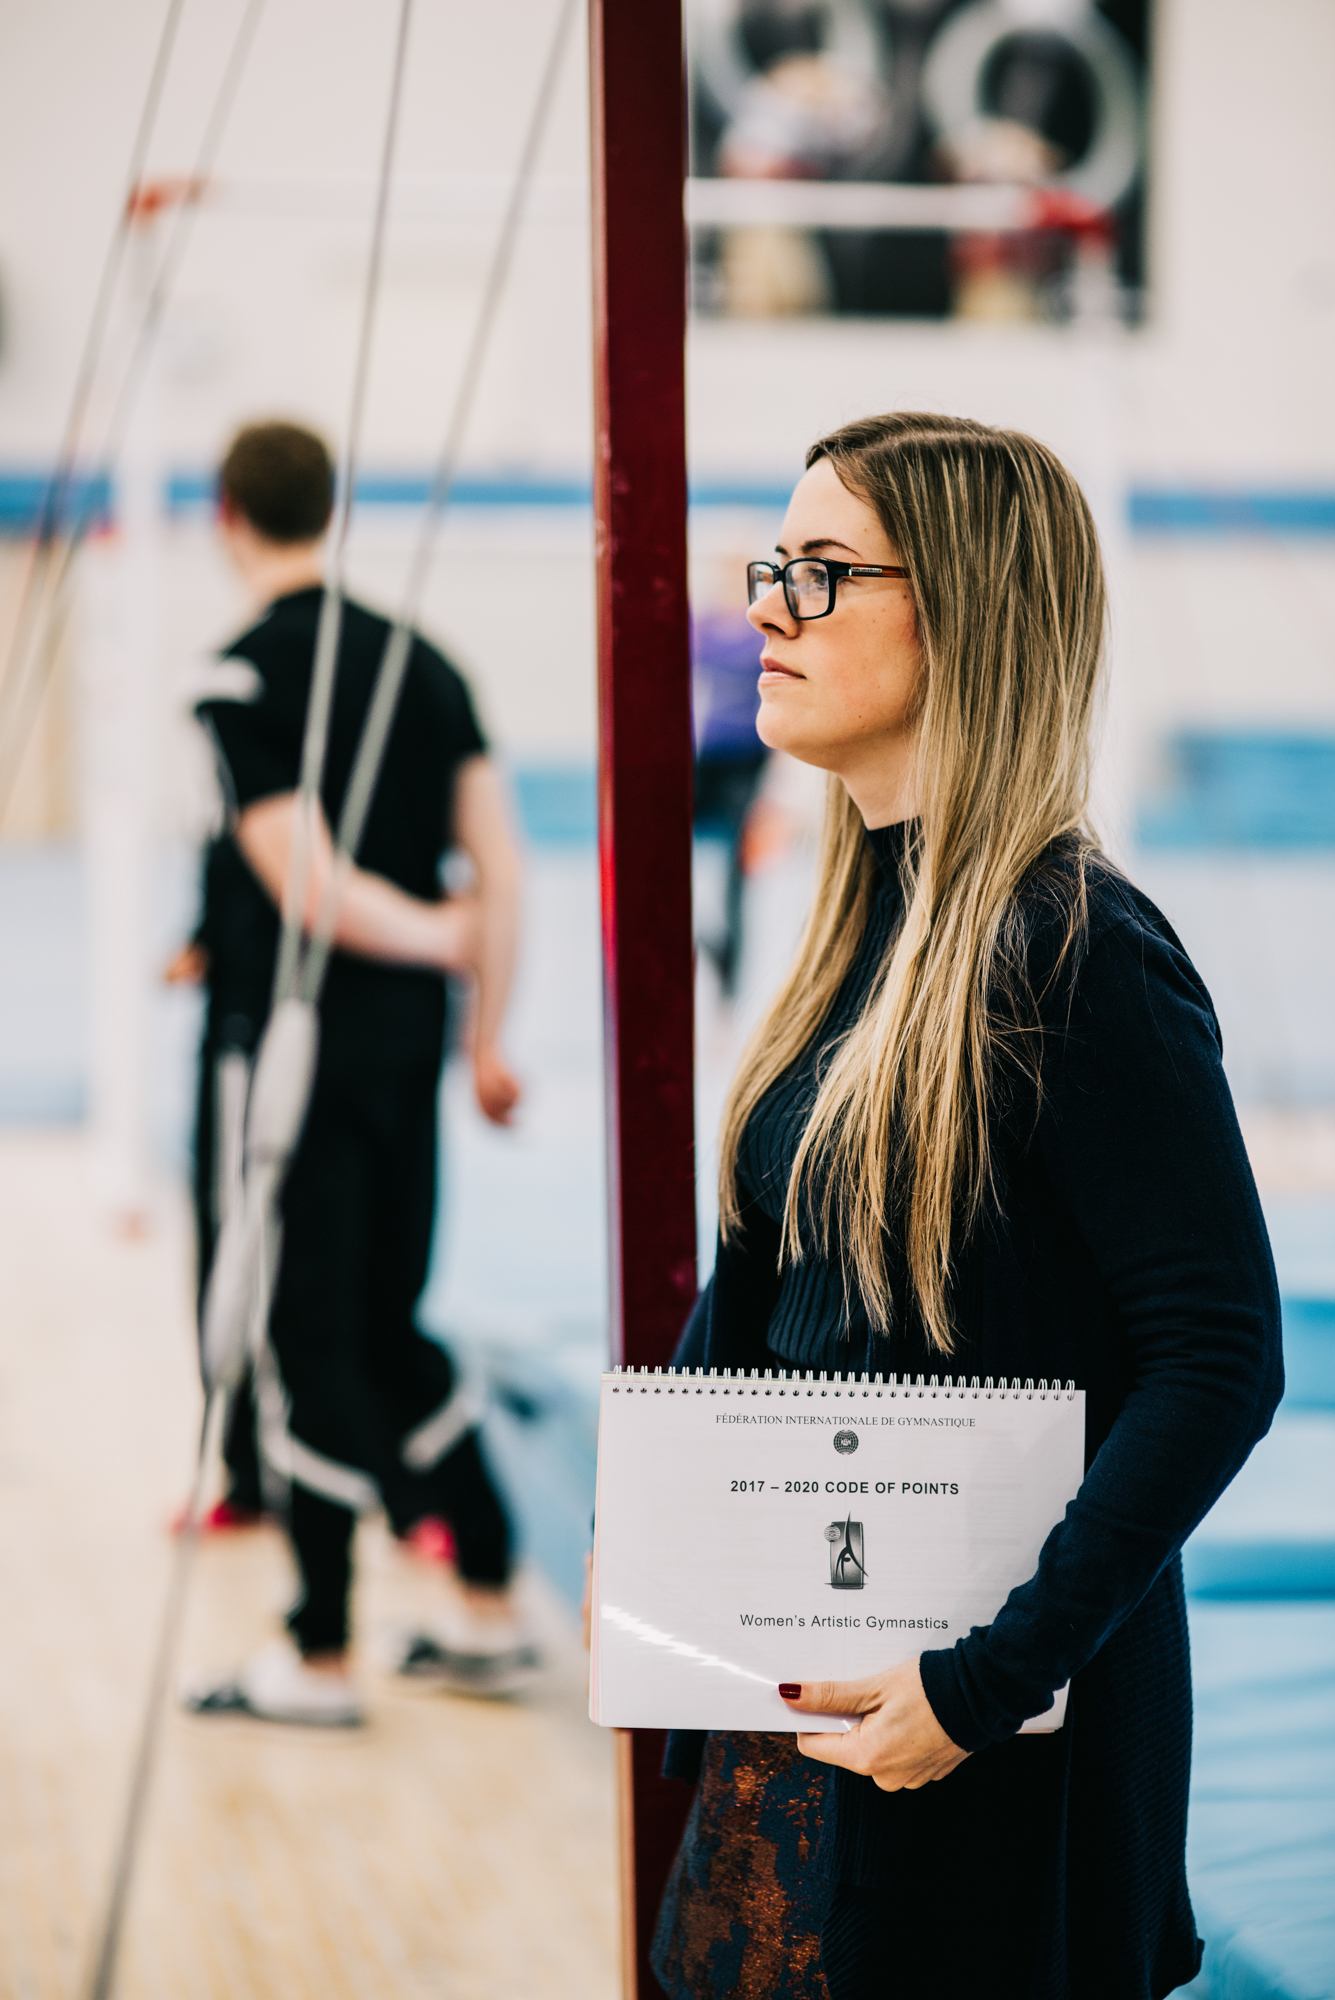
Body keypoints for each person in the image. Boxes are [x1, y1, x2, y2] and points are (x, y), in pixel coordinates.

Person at [650, 412, 1282, 1999]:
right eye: (773, 566)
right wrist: (643, 1534)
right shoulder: (855, 937)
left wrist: (986, 1682)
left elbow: (1219, 1359)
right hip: (810, 1701)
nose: (768, 608)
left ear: (967, 611)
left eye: (822, 572)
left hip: (977, 1734)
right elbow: (761, 1291)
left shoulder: (1077, 951)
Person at [183, 420, 533, 1725]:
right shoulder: (427, 664)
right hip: (404, 1051)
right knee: (389, 1319)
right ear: (326, 508)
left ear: (227, 512)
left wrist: (443, 939)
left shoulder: (240, 674)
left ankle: (321, 1651)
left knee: (305, 1334)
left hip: (293, 1052)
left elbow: (311, 884)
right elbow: (505, 869)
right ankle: (487, 1595)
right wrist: (487, 1030)